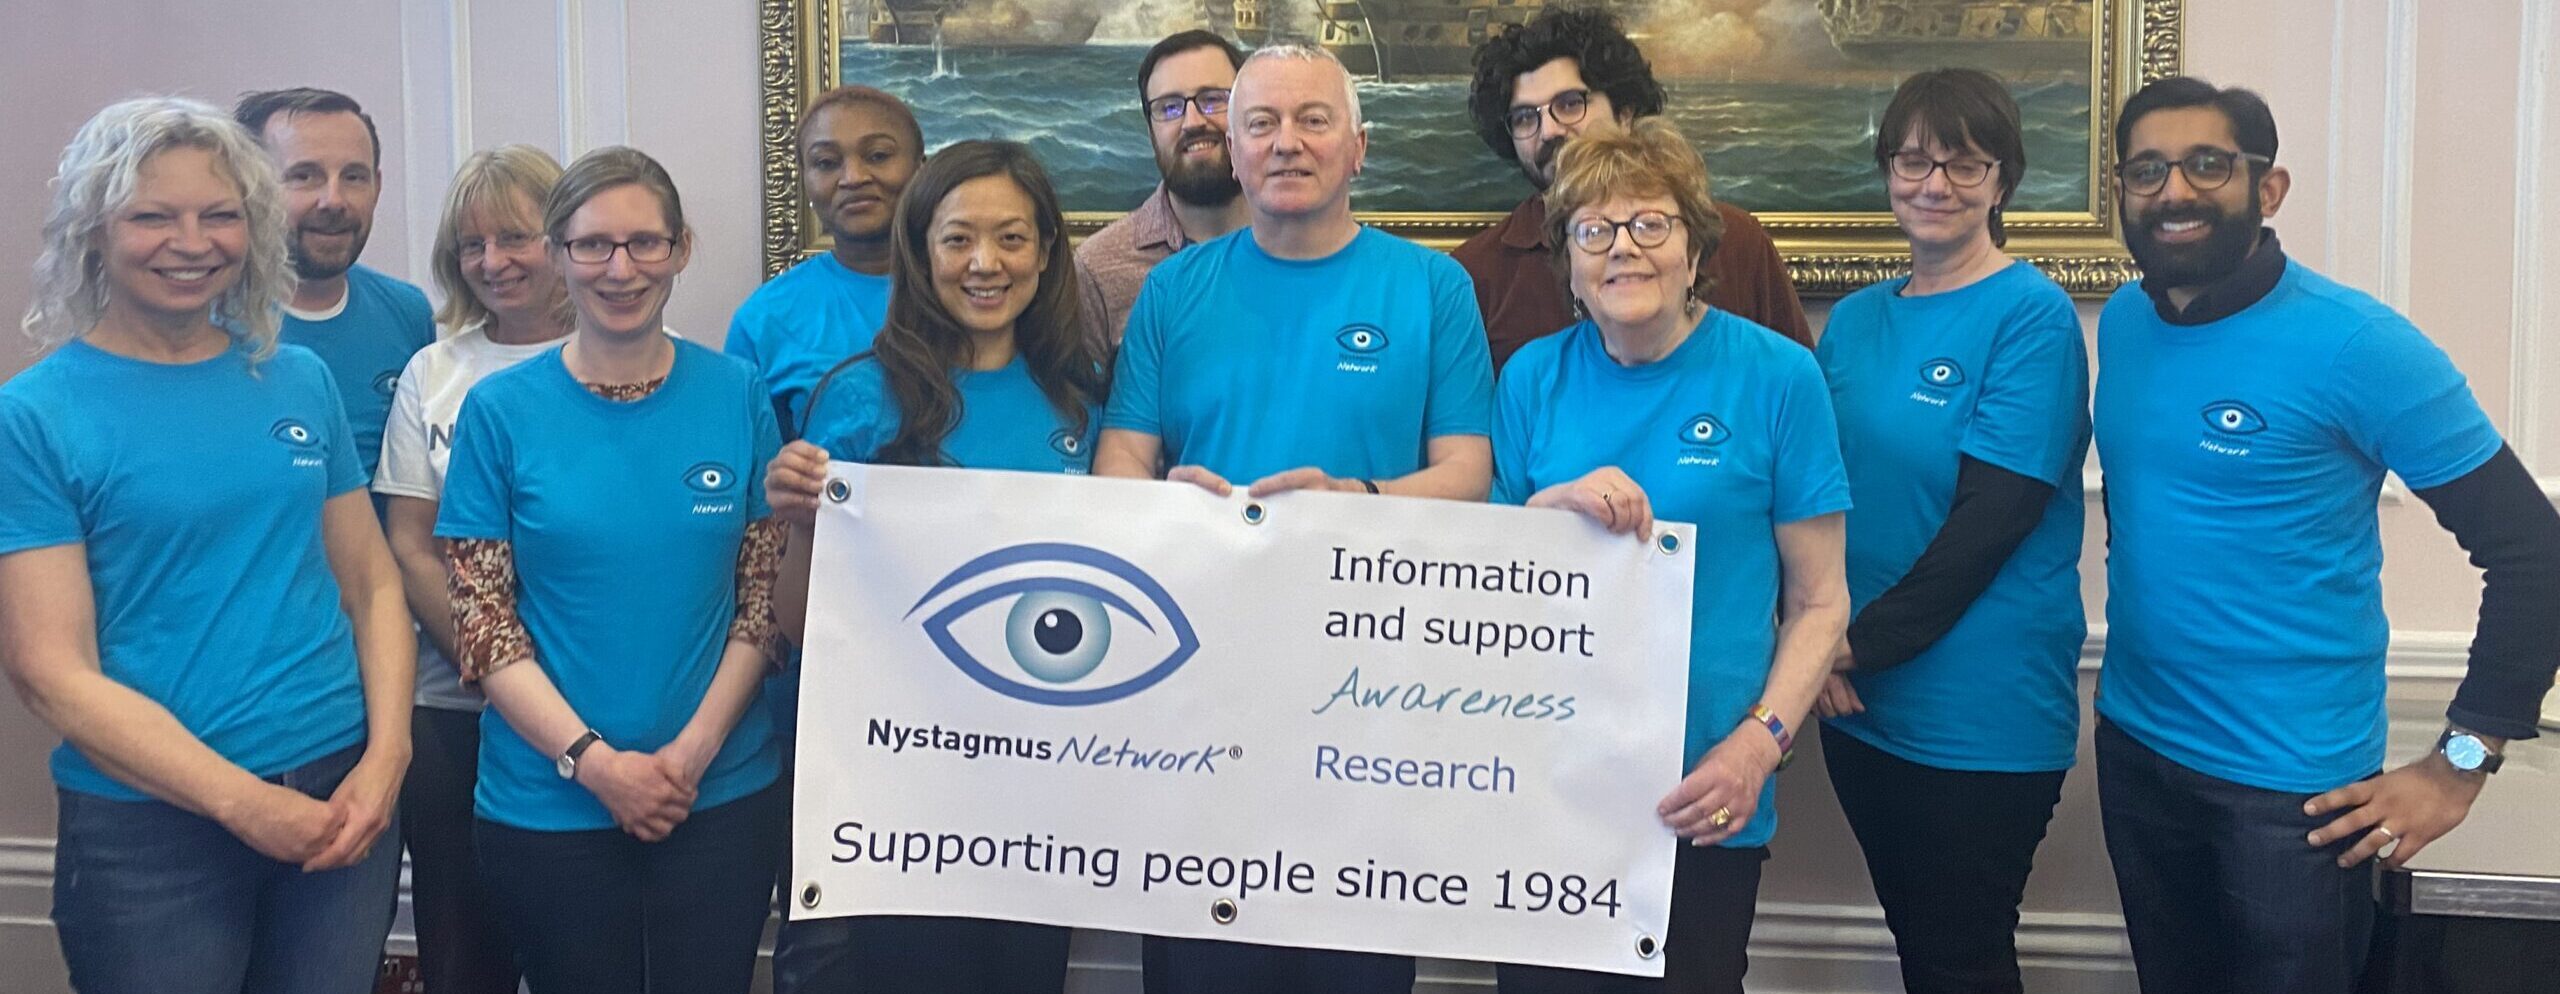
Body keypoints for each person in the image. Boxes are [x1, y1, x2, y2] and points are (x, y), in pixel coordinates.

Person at [2092, 76, 2560, 993]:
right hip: (2136, 751)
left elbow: (2534, 551)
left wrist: (2460, 764)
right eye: (2147, 170)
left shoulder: (2358, 346)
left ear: (2268, 190)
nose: (2174, 191)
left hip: (2295, 797)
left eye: (2207, 165)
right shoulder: (2128, 324)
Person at [1093, 44, 1496, 994]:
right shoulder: (1172, 292)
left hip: (1370, 688)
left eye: (1313, 120)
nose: (1287, 144)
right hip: (1194, 680)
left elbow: (1470, 473)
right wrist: (1161, 508)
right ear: (1231, 152)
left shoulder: (1433, 287)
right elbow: (1122, 460)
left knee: (1350, 960)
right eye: (1261, 125)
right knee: (1200, 960)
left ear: (1359, 146)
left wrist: (1350, 504)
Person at [0, 96, 412, 994]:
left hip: (341, 794)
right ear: (93, 232)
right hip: (153, 830)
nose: (193, 242)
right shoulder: (34, 416)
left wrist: (388, 758)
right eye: (153, 216)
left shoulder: (295, 378)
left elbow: (372, 584)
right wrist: (244, 803)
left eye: (219, 214)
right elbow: (46, 668)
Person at [1489, 115, 1849, 994]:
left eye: (1652, 223)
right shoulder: (1532, 377)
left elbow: (1820, 601)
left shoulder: (1776, 377)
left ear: (1695, 246)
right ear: (1569, 260)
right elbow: (1492, 584)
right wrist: (1549, 509)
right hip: (1551, 786)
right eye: (1594, 230)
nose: (1624, 249)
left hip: (1706, 787)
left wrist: (1758, 747)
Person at [435, 146, 787, 994]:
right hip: (547, 802)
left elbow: (763, 602)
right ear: (558, 255)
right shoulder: (499, 411)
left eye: (644, 244)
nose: (620, 269)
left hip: (720, 792)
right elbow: (484, 623)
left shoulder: (738, 393)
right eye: (593, 245)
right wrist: (596, 764)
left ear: (680, 249)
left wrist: (688, 760)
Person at [763, 138, 1107, 994]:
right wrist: (800, 524)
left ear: (1047, 253)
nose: (984, 264)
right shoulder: (853, 397)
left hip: (1038, 786)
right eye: (957, 239)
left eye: (1012, 239)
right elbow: (801, 626)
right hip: (887, 785)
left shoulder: (1085, 404)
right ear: (920, 254)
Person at [1809, 69, 2087, 994]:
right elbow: (1811, 497)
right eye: (1914, 159)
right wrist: (1819, 646)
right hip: (1859, 701)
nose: (1935, 185)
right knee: (1922, 948)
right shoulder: (1852, 323)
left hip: (1978, 709)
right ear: (1886, 170)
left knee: (1960, 956)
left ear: (2004, 180)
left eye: (1965, 164)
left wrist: (1845, 651)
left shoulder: (2031, 317)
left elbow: (1989, 527)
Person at [373, 143, 569, 994]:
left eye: (515, 237)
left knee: (578, 934)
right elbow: (409, 540)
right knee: (461, 938)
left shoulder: (653, 355)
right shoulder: (434, 371)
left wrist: (548, 681)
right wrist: (491, 658)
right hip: (452, 703)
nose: (493, 262)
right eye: (471, 246)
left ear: (565, 236)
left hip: (596, 696)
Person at [1458, 6, 1809, 371]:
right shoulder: (1476, 273)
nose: (1549, 131)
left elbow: (1793, 385)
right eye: (1525, 117)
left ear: (1625, 112)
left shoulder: (1738, 242)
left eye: (1569, 104)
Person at [236, 88, 435, 477]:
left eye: (354, 177)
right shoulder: (209, 321)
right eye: (304, 176)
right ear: (250, 188)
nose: (333, 200)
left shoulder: (407, 313)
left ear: (377, 187)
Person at [728, 85, 926, 435]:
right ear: (805, 181)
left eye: (878, 155)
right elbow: (752, 471)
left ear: (921, 169)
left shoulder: (979, 292)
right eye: (826, 163)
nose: (853, 178)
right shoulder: (765, 319)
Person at [1074, 29, 1252, 343]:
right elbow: (1081, 391)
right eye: (1169, 107)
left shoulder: (1298, 240)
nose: (1193, 121)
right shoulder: (1098, 269)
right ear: (1151, 130)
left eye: (1212, 100)